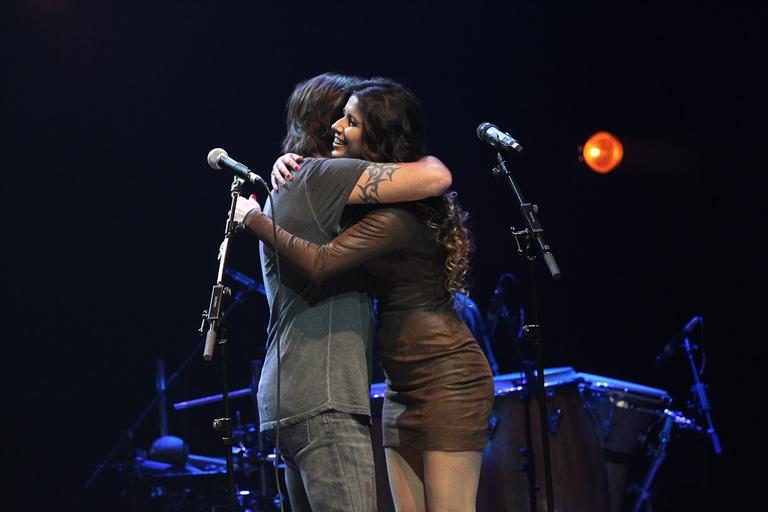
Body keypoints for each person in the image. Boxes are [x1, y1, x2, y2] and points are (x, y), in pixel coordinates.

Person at [237, 79, 494, 512]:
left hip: (448, 378)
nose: (340, 126)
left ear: (375, 135)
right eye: (339, 116)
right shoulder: (356, 199)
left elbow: (321, 262)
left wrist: (255, 219)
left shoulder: (392, 217)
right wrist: (290, 163)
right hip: (399, 387)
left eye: (352, 121)